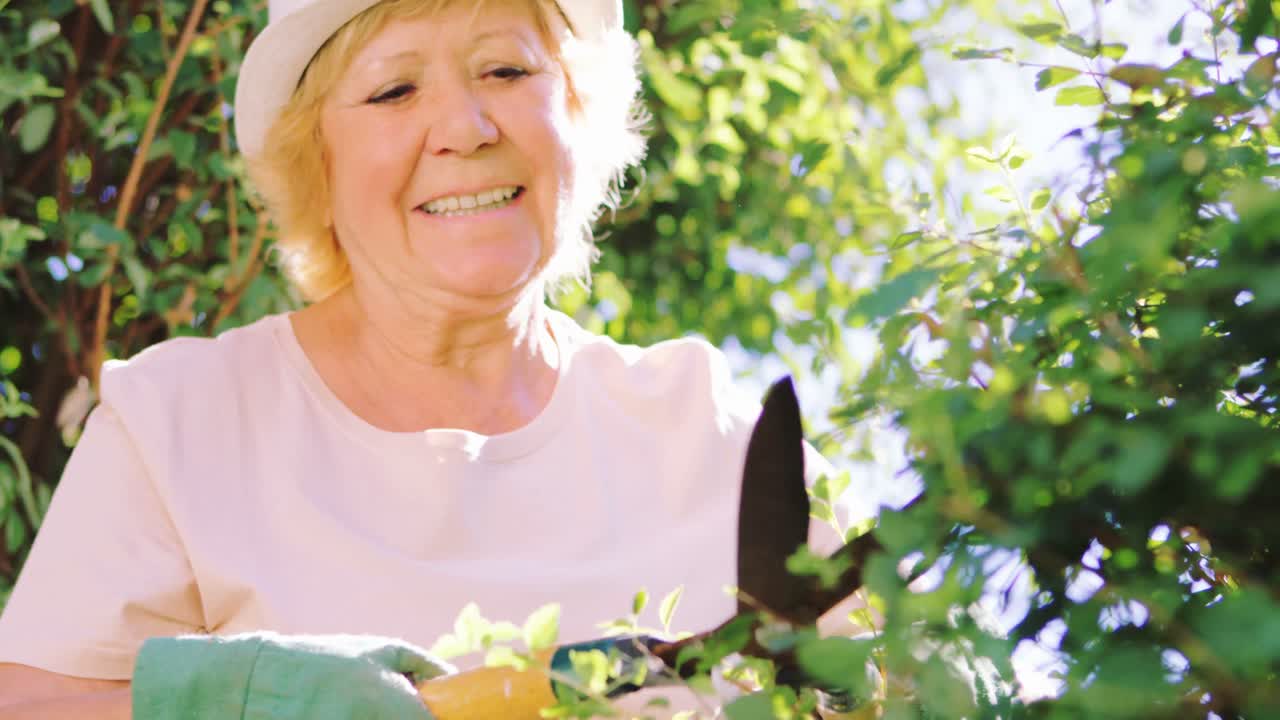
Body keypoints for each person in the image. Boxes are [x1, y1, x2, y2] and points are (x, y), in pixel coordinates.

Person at [0, 0, 858, 717]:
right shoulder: (178, 424)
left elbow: (896, 681)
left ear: (577, 114)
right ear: (316, 162)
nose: (464, 126)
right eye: (394, 89)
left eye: (508, 72)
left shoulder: (715, 436)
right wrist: (240, 705)